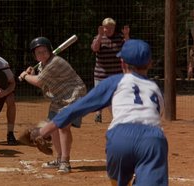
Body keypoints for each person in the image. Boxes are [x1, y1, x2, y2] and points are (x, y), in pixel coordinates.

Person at [32, 39, 168, 185]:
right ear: (150, 64)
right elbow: (156, 114)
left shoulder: (116, 81)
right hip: (153, 139)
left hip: (120, 137)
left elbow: (76, 108)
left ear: (122, 62)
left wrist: (44, 130)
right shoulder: (155, 89)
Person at [19, 37, 87, 174]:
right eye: (38, 52)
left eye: (44, 51)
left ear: (50, 51)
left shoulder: (55, 62)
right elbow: (43, 79)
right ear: (34, 55)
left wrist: (25, 76)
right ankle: (59, 158)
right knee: (54, 126)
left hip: (74, 96)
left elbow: (39, 82)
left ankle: (65, 162)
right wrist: (32, 73)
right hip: (60, 98)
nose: (42, 54)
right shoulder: (45, 64)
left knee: (63, 127)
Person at [91, 17, 130, 123]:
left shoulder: (119, 38)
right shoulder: (99, 38)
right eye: (107, 28)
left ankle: (116, 117)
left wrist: (126, 35)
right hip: (101, 74)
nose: (110, 30)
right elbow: (94, 48)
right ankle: (98, 113)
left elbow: (128, 48)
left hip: (116, 74)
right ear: (103, 28)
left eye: (112, 28)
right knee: (99, 96)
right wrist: (99, 36)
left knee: (115, 96)